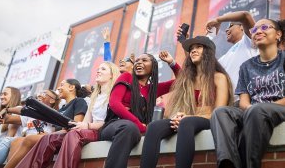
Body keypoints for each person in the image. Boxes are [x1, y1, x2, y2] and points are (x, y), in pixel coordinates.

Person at [140, 36, 233, 168]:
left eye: (198, 47)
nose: (193, 51)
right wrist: (179, 116)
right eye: (191, 49)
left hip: (209, 119)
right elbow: (184, 104)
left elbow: (219, 112)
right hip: (188, 119)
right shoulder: (187, 79)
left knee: (187, 122)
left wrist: (188, 117)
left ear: (208, 51)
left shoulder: (219, 77)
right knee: (155, 127)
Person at [210, 18, 285, 168]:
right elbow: (244, 100)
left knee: (257, 110)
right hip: (254, 111)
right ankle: (228, 163)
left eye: (264, 27)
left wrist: (259, 109)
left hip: (279, 107)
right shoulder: (246, 66)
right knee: (220, 112)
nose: (258, 31)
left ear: (278, 34)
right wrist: (251, 110)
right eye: (254, 30)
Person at [15, 62, 120, 168]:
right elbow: (85, 122)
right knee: (48, 138)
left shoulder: (115, 94)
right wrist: (76, 125)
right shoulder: (95, 97)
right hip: (87, 130)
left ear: (112, 74)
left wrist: (87, 126)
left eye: (103, 69)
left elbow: (110, 122)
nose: (98, 71)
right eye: (98, 68)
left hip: (100, 131)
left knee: (73, 134)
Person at [100, 52, 180, 168]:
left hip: (135, 130)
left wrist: (172, 63)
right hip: (115, 125)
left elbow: (183, 80)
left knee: (133, 128)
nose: (139, 62)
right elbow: (114, 103)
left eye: (144, 60)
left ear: (153, 68)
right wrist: (140, 125)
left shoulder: (153, 90)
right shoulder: (126, 77)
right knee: (129, 127)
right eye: (137, 61)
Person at [5, 79, 88, 168]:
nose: (59, 88)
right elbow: (29, 114)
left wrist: (51, 134)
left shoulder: (79, 101)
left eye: (62, 85)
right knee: (16, 141)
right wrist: (7, 110)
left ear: (71, 87)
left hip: (66, 136)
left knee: (29, 139)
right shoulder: (60, 109)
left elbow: (76, 126)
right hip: (53, 136)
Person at [0, 89, 60, 167]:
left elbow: (22, 110)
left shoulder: (54, 113)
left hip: (42, 141)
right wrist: (4, 111)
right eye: (40, 93)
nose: (39, 95)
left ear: (52, 100)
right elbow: (9, 119)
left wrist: (7, 109)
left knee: (11, 140)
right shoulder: (31, 113)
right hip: (27, 141)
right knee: (12, 142)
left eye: (44, 93)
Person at [206, 11, 258, 98]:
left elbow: (246, 16)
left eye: (230, 26)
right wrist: (211, 34)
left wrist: (218, 20)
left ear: (241, 26)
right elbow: (202, 64)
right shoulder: (224, 57)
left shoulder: (249, 42)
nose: (226, 30)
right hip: (229, 105)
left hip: (249, 101)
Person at [0, 87, 21, 168]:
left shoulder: (17, 111)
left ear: (13, 96)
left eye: (5, 94)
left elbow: (9, 138)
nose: (2, 97)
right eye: (1, 94)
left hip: (6, 153)